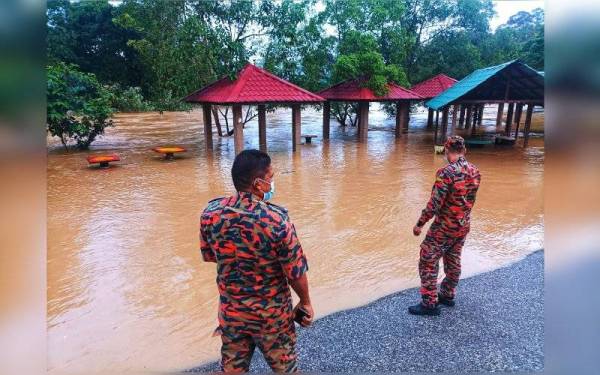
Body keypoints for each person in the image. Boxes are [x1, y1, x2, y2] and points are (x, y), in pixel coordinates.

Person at [200, 149, 313, 372]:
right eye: (271, 177)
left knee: (232, 369)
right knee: (286, 368)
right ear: (258, 184)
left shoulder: (210, 214)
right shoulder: (277, 221)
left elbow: (211, 256)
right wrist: (305, 302)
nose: (273, 182)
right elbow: (295, 272)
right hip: (271, 317)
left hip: (232, 313)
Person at [409, 135, 481, 316]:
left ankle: (429, 303)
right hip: (463, 225)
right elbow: (470, 201)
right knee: (453, 259)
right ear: (464, 150)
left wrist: (420, 224)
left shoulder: (446, 173)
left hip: (444, 227)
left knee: (427, 259)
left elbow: (434, 204)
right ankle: (447, 295)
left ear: (446, 150)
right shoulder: (475, 171)